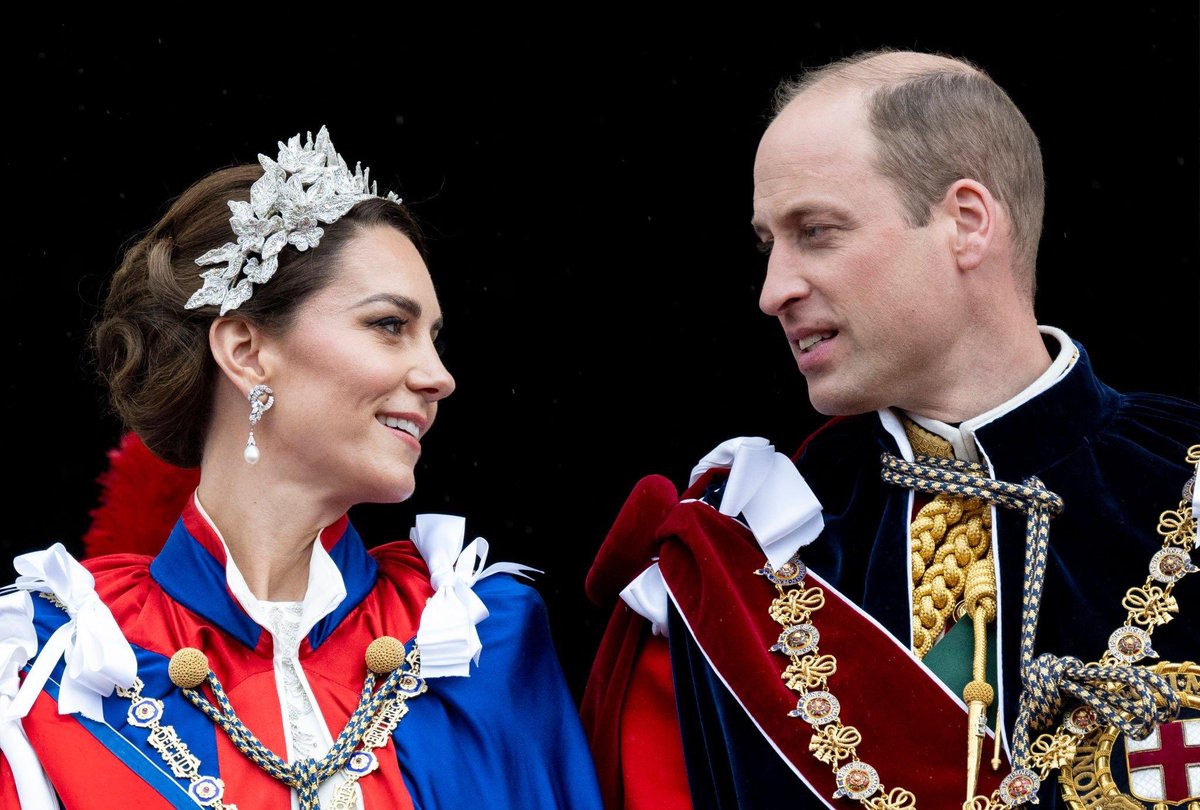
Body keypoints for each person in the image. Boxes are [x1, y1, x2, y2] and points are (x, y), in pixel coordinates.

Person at [582, 51, 1199, 809]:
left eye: (815, 231)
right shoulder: (740, 547)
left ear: (966, 224)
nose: (774, 291)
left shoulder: (1186, 476)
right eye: (768, 243)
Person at [0, 126, 602, 809]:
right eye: (387, 325)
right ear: (247, 349)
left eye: (433, 338)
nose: (439, 377)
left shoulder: (476, 638)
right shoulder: (55, 663)